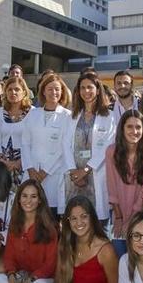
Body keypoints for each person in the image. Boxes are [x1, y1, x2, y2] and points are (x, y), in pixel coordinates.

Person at [8, 195, 119, 283]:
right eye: (73, 218)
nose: (79, 222)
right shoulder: (66, 245)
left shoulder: (106, 250)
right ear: (68, 221)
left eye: (84, 216)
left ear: (92, 217)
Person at [62, 72, 116, 220]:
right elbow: (65, 144)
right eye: (82, 88)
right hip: (74, 177)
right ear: (78, 91)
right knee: (76, 218)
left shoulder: (109, 117)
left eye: (90, 87)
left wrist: (85, 170)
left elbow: (108, 145)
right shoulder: (72, 116)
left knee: (97, 221)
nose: (86, 91)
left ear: (98, 90)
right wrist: (74, 172)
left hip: (96, 173)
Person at [106, 110, 143, 255]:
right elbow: (112, 187)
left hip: (140, 215)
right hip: (118, 214)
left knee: (138, 258)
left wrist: (131, 220)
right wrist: (118, 217)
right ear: (122, 129)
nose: (134, 131)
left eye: (138, 127)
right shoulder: (111, 152)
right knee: (119, 256)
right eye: (129, 127)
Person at [22, 73, 72, 215]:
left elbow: (64, 148)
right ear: (43, 91)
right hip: (32, 172)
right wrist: (30, 168)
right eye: (50, 89)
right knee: (30, 212)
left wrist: (46, 171)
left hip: (54, 173)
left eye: (57, 89)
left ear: (62, 91)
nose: (53, 92)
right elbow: (25, 143)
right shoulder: (33, 114)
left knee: (51, 213)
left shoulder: (67, 116)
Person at [0, 76, 33, 185]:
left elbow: (34, 141)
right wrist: (1, 159)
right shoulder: (1, 112)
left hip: (25, 164)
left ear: (24, 92)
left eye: (17, 89)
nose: (13, 92)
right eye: (9, 89)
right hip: (3, 164)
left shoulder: (33, 113)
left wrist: (18, 163)